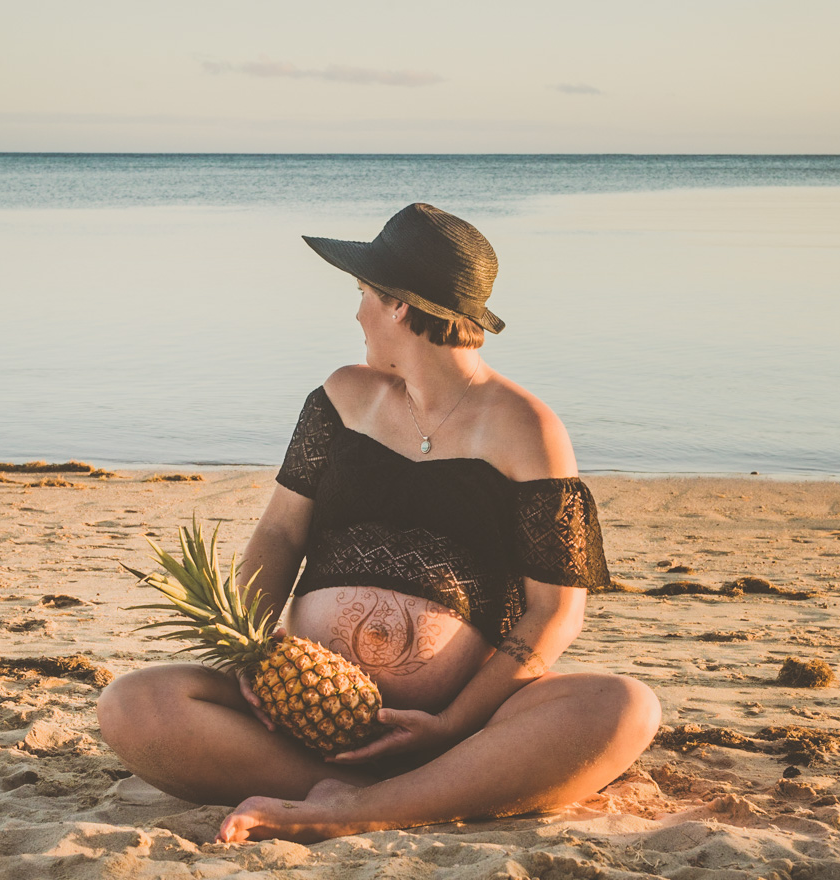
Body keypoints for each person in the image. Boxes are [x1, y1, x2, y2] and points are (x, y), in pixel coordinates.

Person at [97, 203, 661, 843]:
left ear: (399, 306)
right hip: (300, 714)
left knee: (623, 708)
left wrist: (452, 723)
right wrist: (249, 654)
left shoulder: (528, 430)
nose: (356, 308)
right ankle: (386, 792)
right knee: (134, 705)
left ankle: (373, 800)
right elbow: (280, 535)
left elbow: (557, 610)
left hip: (461, 724)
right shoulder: (341, 398)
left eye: (363, 291)